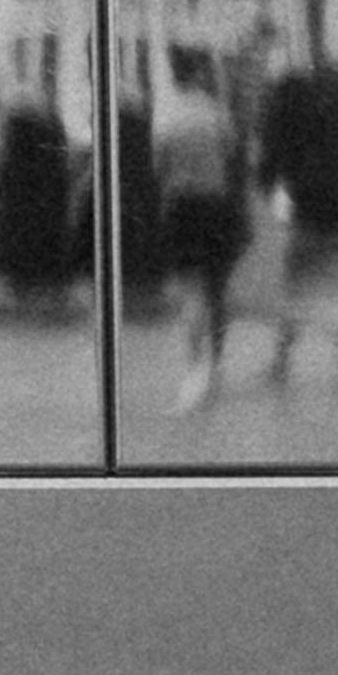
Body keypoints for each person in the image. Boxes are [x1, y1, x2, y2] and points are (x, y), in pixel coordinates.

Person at [254, 33, 338, 396]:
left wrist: (271, 192)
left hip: (306, 209)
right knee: (337, 284)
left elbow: (268, 167)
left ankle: (280, 362)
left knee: (295, 285)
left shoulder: (285, 112)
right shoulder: (331, 110)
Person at [151, 44, 250, 416]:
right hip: (216, 205)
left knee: (191, 289)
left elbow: (158, 167)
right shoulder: (216, 114)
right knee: (217, 287)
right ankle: (216, 363)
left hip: (182, 206)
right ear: (199, 74)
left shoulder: (168, 117)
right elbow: (232, 158)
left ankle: (196, 367)